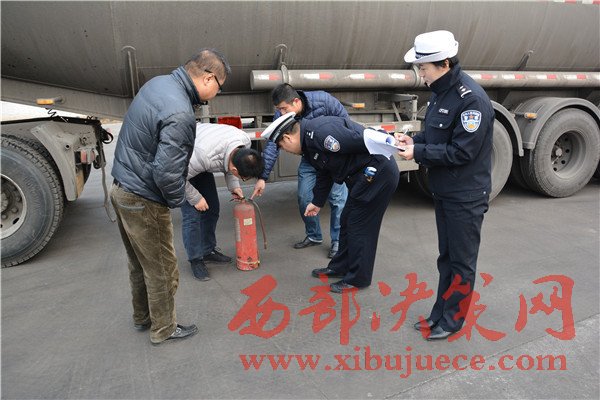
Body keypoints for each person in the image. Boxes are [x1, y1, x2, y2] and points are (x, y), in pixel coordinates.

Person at [110, 48, 231, 345]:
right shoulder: (180, 113)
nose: (217, 93)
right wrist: (177, 200)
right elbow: (166, 173)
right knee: (162, 268)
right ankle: (163, 328)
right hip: (144, 197)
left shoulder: (159, 83)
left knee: (140, 263)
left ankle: (143, 317)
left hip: (122, 186)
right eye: (219, 87)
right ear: (208, 78)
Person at [396, 30, 494, 340]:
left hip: (465, 195)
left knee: (461, 262)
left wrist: (418, 153)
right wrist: (413, 141)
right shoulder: (441, 92)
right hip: (446, 191)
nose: (421, 74)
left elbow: (461, 152)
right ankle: (439, 313)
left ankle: (452, 321)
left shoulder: (471, 100)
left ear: (445, 64)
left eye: (423, 68)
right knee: (446, 259)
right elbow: (436, 134)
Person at [261, 113, 399, 293]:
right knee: (346, 221)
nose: (285, 151)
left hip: (377, 175)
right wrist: (317, 202)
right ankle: (340, 267)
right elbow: (324, 172)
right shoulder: (309, 143)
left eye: (282, 147)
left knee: (360, 228)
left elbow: (364, 138)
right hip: (362, 179)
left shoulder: (322, 133)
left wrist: (391, 140)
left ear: (287, 138)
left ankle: (358, 279)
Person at [252, 83, 349, 259]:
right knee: (304, 197)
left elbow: (345, 126)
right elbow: (273, 144)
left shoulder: (324, 101)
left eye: (283, 109)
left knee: (337, 199)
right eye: (278, 109)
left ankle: (338, 241)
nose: (281, 113)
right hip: (310, 159)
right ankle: (314, 235)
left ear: (296, 102)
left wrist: (342, 159)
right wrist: (262, 177)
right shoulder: (282, 114)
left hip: (334, 159)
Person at [182, 123, 264, 281]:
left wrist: (234, 186)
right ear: (235, 170)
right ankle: (196, 260)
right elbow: (176, 177)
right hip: (183, 162)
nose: (242, 179)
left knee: (212, 209)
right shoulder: (204, 156)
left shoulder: (244, 142)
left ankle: (207, 251)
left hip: (200, 159)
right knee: (192, 216)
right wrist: (196, 198)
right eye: (243, 178)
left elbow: (233, 161)